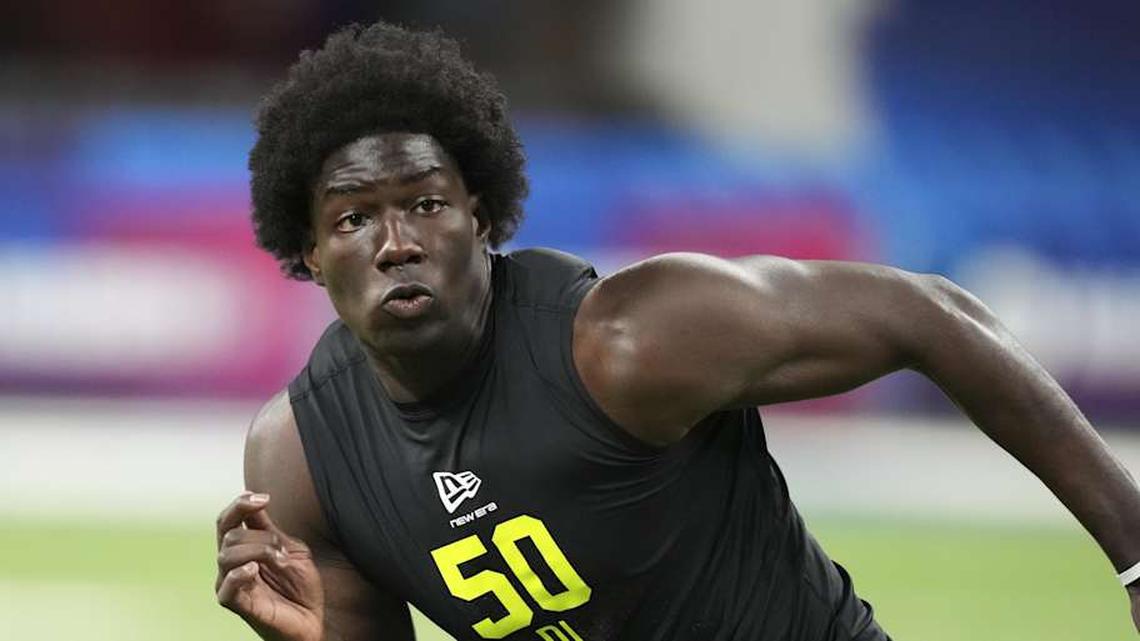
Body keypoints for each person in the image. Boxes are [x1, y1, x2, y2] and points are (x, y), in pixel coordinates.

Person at [214, 21, 1140, 641]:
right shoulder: (301, 458)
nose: (397, 243)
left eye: (425, 203)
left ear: (483, 217)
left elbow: (929, 313)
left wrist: (1135, 553)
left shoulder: (623, 341)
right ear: (308, 251)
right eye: (354, 219)